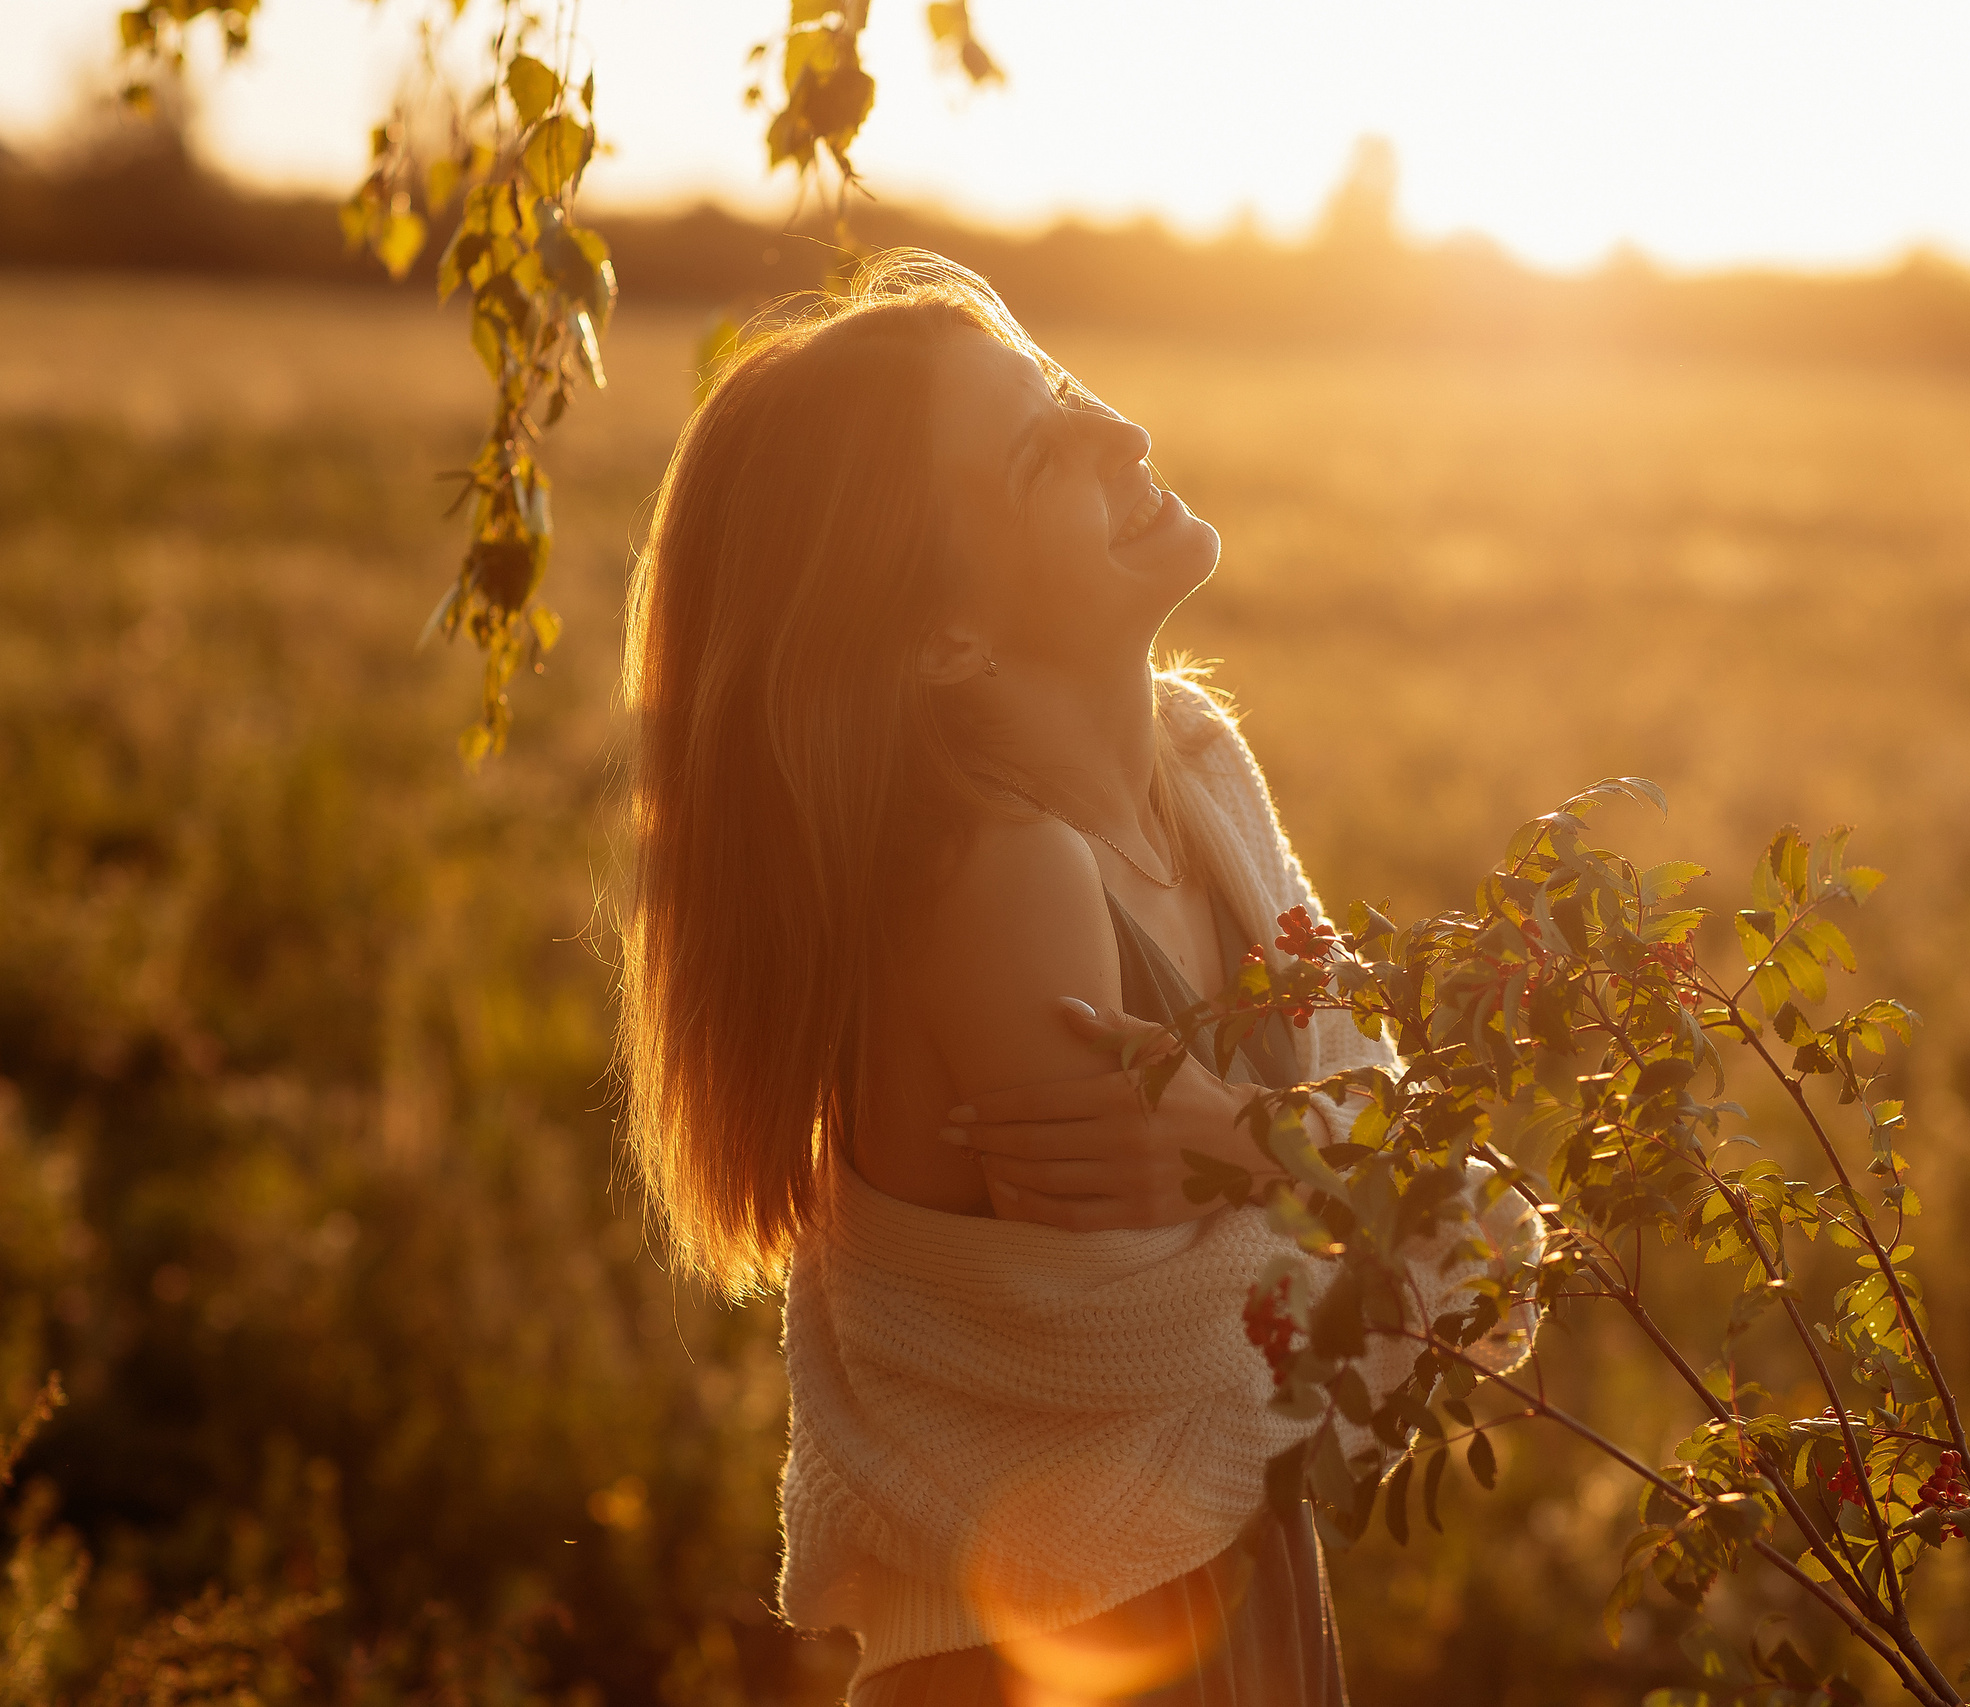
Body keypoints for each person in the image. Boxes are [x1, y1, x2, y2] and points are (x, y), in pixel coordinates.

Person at [615, 251, 1526, 1706]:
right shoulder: (999, 880)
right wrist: (1363, 1191)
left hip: (1237, 1624)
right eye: (1047, 450)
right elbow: (1199, 1349)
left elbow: (1398, 1218)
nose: (1125, 433)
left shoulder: (1201, 771)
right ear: (944, 633)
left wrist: (1282, 1166)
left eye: (1064, 389)